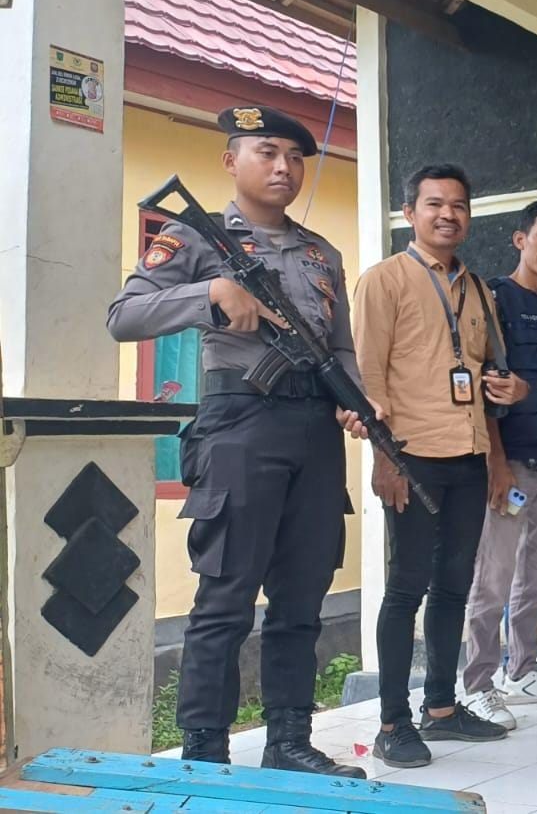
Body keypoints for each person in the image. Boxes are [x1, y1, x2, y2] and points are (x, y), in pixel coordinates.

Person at [107, 106, 369, 776]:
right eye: (267, 152)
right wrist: (213, 292)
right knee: (225, 598)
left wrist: (357, 402)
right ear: (231, 161)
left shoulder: (322, 254)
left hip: (315, 431)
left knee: (302, 595)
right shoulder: (194, 237)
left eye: (295, 157)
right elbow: (124, 316)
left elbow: (341, 347)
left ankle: (289, 742)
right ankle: (204, 752)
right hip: (241, 426)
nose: (284, 167)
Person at [353, 164, 530, 768]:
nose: (448, 215)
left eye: (458, 205)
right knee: (406, 588)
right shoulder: (384, 281)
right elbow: (367, 379)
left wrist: (512, 400)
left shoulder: (478, 289)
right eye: (434, 204)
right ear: (410, 213)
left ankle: (442, 708)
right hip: (411, 457)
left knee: (454, 585)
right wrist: (384, 460)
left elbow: (488, 376)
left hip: (469, 455)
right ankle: (392, 723)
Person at [459, 200, 537, 731]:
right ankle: (476, 684)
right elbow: (486, 388)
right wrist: (496, 462)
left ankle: (523, 669)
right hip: (512, 464)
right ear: (520, 239)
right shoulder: (496, 300)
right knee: (493, 576)